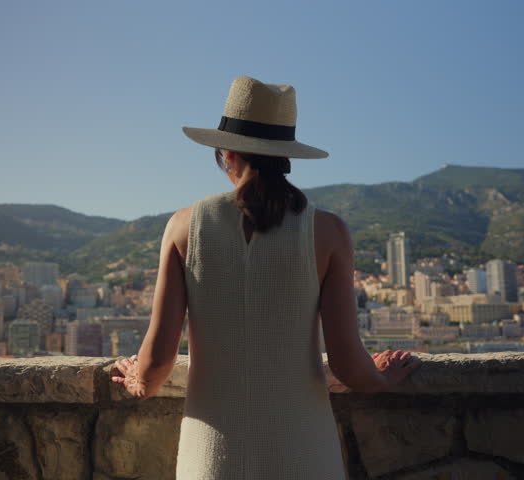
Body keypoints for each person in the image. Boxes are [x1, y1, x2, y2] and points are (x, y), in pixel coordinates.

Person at [110, 76, 421, 479]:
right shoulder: (328, 231)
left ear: (225, 154)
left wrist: (141, 382)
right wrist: (381, 378)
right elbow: (346, 364)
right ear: (287, 156)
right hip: (304, 453)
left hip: (212, 456)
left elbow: (158, 358)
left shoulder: (183, 227)